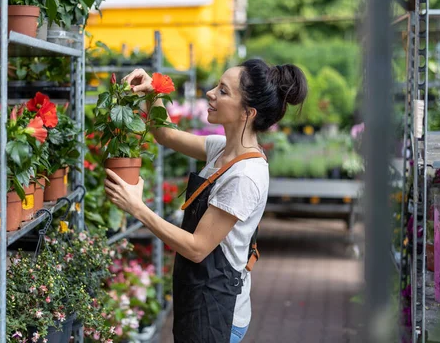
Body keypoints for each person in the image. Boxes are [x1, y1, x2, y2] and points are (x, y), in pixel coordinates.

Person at [104, 59, 308, 343]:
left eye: (223, 91)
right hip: (201, 296)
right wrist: (153, 92)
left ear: (247, 113)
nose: (210, 93)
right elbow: (165, 134)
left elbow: (198, 248)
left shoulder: (245, 176)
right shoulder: (221, 149)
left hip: (218, 312)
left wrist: (137, 208)